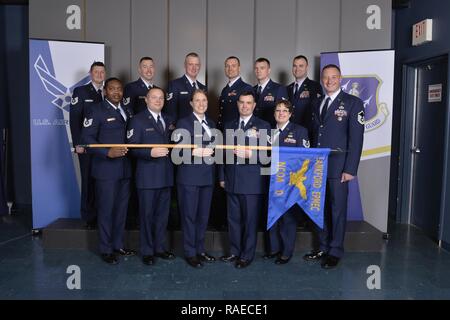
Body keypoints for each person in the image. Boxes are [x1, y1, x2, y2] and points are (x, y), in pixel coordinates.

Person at [303, 64, 364, 269]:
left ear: (340, 78)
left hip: (339, 167)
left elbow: (356, 140)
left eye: (334, 77)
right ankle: (322, 245)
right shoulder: (316, 102)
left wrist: (350, 169)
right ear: (321, 79)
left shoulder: (353, 103)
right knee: (318, 209)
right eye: (326, 78)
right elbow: (313, 135)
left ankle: (335, 250)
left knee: (337, 210)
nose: (329, 81)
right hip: (317, 166)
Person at [82, 77, 136, 265]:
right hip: (106, 170)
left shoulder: (127, 110)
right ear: (105, 91)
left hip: (125, 169)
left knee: (121, 210)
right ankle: (106, 249)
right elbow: (87, 139)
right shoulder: (96, 111)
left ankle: (118, 245)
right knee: (106, 210)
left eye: (119, 89)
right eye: (112, 89)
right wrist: (107, 152)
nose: (116, 92)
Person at [219, 91, 271, 269]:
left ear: (254, 105)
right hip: (231, 179)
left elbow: (267, 156)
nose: (245, 106)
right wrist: (221, 176)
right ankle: (234, 251)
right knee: (233, 219)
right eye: (242, 102)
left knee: (249, 221)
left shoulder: (263, 125)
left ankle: (247, 255)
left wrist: (252, 154)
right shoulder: (229, 125)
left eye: (249, 103)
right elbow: (222, 153)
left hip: (252, 182)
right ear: (237, 104)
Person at [126, 87, 176, 266]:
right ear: (146, 99)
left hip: (166, 175)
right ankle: (147, 251)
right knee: (147, 216)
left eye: (161, 98)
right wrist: (150, 152)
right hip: (147, 177)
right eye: (154, 97)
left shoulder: (169, 120)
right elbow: (131, 147)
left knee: (162, 216)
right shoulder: (137, 120)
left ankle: (159, 248)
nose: (158, 100)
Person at [174, 89, 217, 268]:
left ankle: (200, 249)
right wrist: (194, 151)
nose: (201, 104)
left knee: (202, 217)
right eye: (197, 101)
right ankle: (190, 252)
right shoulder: (183, 122)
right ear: (191, 103)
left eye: (204, 100)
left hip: (207, 177)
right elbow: (176, 150)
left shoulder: (211, 123)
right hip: (189, 177)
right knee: (189, 216)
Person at [264, 100, 310, 265]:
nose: (281, 113)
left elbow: (304, 159)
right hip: (271, 181)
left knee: (287, 218)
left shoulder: (299, 131)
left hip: (290, 182)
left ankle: (286, 251)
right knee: (273, 215)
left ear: (290, 114)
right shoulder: (268, 132)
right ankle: (274, 249)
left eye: (284, 111)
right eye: (278, 111)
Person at [70, 61, 105, 229]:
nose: (99, 74)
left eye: (102, 72)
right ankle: (89, 217)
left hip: (104, 147)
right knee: (88, 181)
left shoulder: (107, 92)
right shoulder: (81, 91)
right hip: (87, 146)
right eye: (96, 71)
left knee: (101, 181)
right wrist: (78, 143)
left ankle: (100, 215)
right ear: (91, 73)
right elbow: (74, 119)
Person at [166, 52, 207, 120]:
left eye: (196, 65)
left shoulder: (203, 87)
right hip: (182, 128)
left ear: (199, 67)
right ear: (185, 65)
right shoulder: (175, 85)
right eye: (190, 64)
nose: (194, 68)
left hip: (198, 127)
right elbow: (170, 111)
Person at [217, 56, 253, 129]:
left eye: (233, 66)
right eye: (227, 66)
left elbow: (248, 115)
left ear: (239, 68)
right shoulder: (225, 89)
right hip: (223, 130)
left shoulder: (246, 88)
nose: (230, 69)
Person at [286, 55, 322, 127]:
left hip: (307, 130)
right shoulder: (287, 88)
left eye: (301, 66)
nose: (297, 69)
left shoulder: (315, 86)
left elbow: (317, 112)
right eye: (295, 66)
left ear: (307, 67)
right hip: (289, 130)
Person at [253, 57, 288, 126]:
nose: (258, 71)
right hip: (253, 130)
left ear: (269, 70)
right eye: (256, 68)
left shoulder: (278, 89)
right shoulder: (252, 89)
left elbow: (283, 114)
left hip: (271, 129)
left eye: (262, 68)